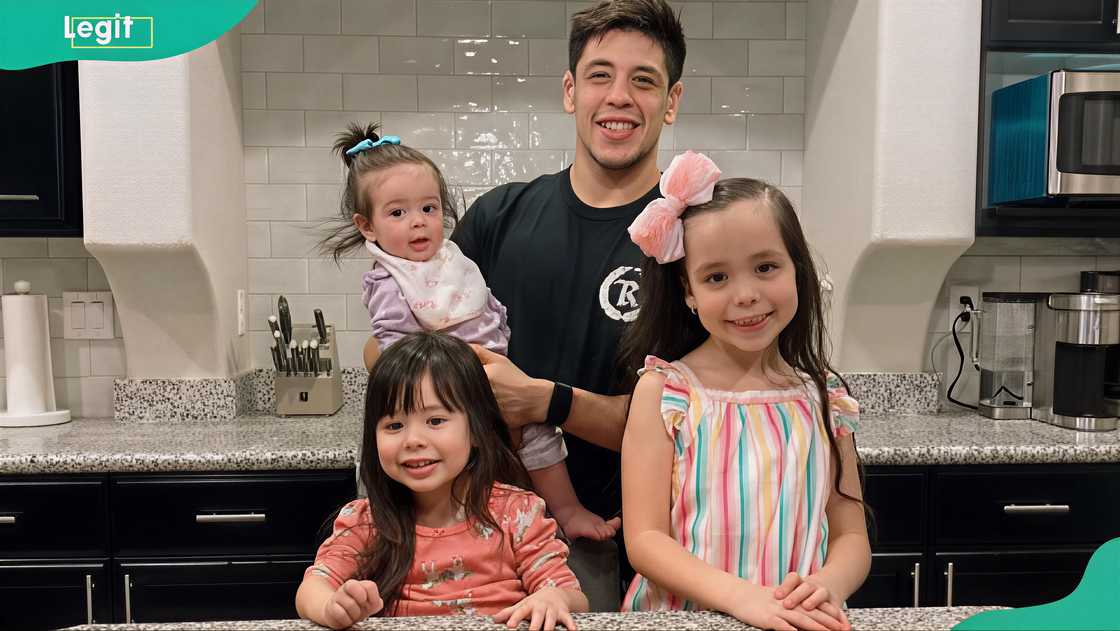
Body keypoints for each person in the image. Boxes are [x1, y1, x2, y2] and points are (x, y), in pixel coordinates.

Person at [449, 0, 685, 543]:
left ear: (671, 102)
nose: (618, 96)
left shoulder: (690, 237)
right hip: (484, 532)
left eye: (643, 80)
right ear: (570, 92)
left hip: (630, 539)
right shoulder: (496, 218)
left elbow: (698, 424)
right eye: (599, 76)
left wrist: (547, 401)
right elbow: (396, 347)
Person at [321, 123, 614, 541]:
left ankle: (565, 511)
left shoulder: (452, 259)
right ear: (367, 227)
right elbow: (393, 349)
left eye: (429, 208)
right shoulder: (389, 282)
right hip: (446, 394)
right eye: (398, 213)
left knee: (540, 434)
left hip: (500, 386)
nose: (418, 223)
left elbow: (487, 307)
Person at [617, 151, 871, 631]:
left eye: (766, 268)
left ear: (797, 269)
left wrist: (830, 584)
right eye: (716, 277)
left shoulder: (825, 397)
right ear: (688, 291)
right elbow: (646, 539)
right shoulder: (666, 392)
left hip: (797, 621)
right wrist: (742, 599)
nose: (746, 294)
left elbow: (851, 534)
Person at [295, 332, 588, 630]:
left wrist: (553, 597)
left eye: (435, 421)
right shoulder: (366, 522)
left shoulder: (517, 513)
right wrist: (333, 607)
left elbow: (572, 596)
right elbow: (312, 589)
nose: (413, 440)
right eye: (394, 425)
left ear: (476, 429)